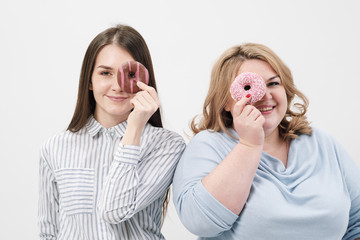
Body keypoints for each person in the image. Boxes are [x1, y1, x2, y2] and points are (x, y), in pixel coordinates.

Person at [172, 43, 360, 240]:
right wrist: (249, 144)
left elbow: (356, 223)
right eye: (248, 87)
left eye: (273, 84)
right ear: (226, 101)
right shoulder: (209, 145)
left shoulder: (322, 143)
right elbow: (199, 222)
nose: (264, 95)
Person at [38, 24, 186, 239]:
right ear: (89, 80)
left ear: (144, 80)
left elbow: (114, 210)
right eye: (105, 73)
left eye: (129, 74)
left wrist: (134, 127)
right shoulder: (54, 147)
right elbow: (48, 232)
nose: (117, 86)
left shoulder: (166, 145)